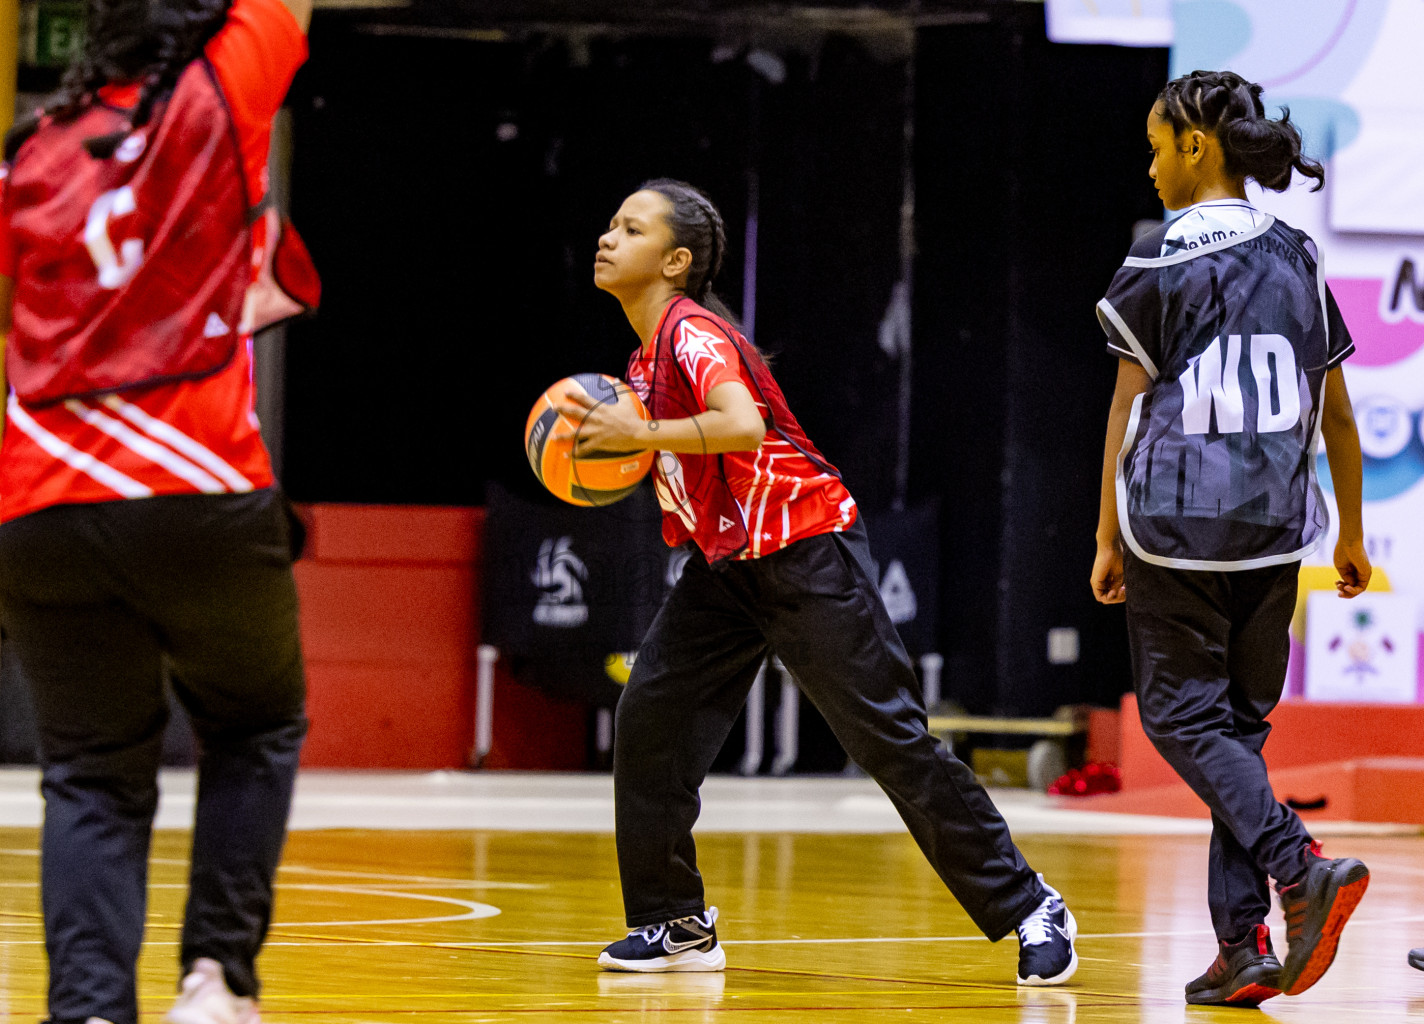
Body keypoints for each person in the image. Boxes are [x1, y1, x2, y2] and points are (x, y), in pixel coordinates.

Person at [557, 178, 1079, 985]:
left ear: (676, 260)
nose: (607, 237)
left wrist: (644, 432)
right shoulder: (642, 358)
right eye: (610, 224)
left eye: (630, 228)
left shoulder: (693, 333)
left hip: (805, 551)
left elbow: (743, 425)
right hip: (726, 568)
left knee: (890, 741)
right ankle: (674, 921)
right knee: (651, 717)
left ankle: (1031, 905)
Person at [0, 0, 315, 1022]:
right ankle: (215, 977)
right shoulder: (216, 88)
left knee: (86, 773)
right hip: (196, 485)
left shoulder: (34, 145)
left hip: (43, 503)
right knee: (255, 723)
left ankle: (87, 1010)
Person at [1090, 69, 1371, 1007]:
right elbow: (1337, 416)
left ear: (1196, 147)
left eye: (1157, 144)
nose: (1150, 164)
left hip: (1173, 522)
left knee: (1179, 720)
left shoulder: (1158, 255)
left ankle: (1300, 867)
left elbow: (1128, 411)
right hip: (1274, 528)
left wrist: (1104, 537)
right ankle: (1240, 946)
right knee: (1236, 739)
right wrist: (1353, 538)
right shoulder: (1297, 255)